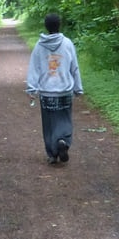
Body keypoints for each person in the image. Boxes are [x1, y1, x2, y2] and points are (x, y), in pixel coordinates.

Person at [26, 12, 83, 165]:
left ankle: (52, 154)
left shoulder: (39, 45)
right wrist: (78, 88)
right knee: (64, 119)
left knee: (49, 123)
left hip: (46, 92)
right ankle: (63, 140)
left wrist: (31, 89)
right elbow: (74, 68)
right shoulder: (68, 43)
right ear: (59, 25)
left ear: (46, 26)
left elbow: (34, 68)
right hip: (65, 90)